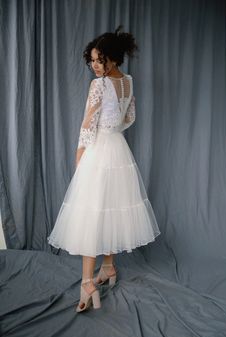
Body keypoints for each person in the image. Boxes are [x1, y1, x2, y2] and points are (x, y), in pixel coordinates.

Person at [47, 25, 161, 312]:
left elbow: (88, 123)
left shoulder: (99, 85)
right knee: (111, 209)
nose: (95, 66)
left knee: (91, 214)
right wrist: (113, 130)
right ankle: (108, 267)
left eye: (100, 60)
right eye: (93, 60)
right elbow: (130, 118)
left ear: (113, 58)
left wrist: (80, 155)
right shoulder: (129, 82)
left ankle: (87, 283)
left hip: (98, 150)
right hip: (118, 149)